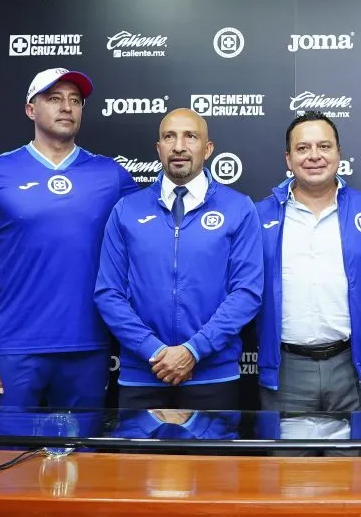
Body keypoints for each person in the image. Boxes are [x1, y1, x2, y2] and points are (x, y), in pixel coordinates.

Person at [0, 68, 139, 408]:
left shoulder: (111, 175)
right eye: (54, 99)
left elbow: (149, 245)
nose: (66, 107)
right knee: (4, 456)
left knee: (78, 459)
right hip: (12, 346)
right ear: (31, 109)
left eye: (75, 100)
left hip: (89, 346)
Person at [94, 108, 264, 410]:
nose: (179, 146)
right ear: (159, 148)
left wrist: (194, 350)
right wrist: (154, 351)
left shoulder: (238, 208)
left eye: (190, 136)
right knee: (138, 460)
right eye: (169, 137)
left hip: (213, 376)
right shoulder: (126, 210)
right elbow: (109, 294)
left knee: (209, 460)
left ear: (208, 149)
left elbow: (246, 293)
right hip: (143, 375)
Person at [254, 111, 361, 456]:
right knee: (286, 481)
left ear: (339, 154)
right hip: (285, 368)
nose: (314, 156)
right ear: (288, 159)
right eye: (303, 148)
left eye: (324, 146)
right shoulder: (259, 215)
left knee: (354, 477)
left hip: (350, 365)